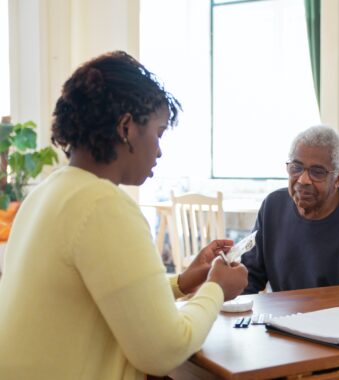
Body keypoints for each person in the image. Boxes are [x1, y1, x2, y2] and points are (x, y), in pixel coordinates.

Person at [0, 51, 248, 379]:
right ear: (127, 127)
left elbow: (106, 289)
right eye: (158, 133)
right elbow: (164, 350)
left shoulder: (47, 192)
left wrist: (183, 282)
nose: (159, 150)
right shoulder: (103, 205)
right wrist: (216, 288)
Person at [241, 125, 339, 293]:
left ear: (338, 178)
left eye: (317, 172)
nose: (303, 180)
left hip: (336, 317)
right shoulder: (272, 206)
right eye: (296, 168)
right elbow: (249, 278)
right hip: (279, 316)